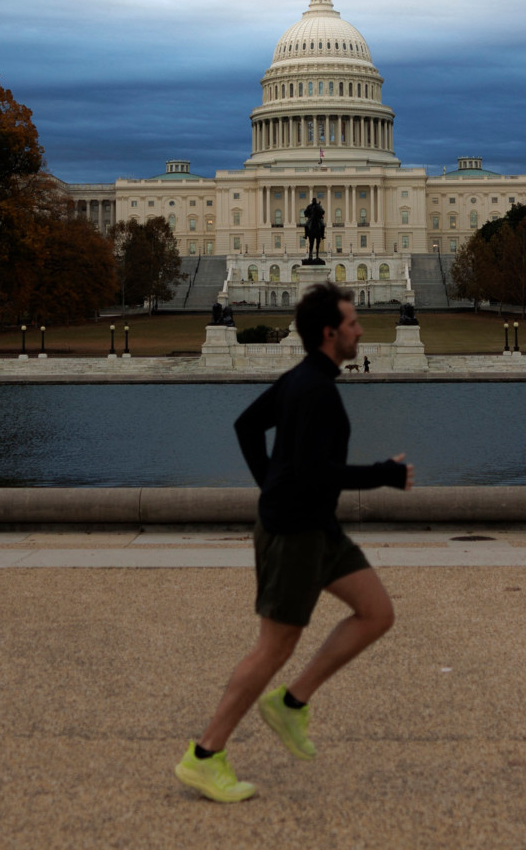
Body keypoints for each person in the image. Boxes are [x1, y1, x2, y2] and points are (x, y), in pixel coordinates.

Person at [174, 282, 413, 803]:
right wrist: (383, 476)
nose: (360, 329)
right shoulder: (314, 390)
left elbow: (247, 427)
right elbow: (311, 470)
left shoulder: (306, 379)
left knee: (376, 612)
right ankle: (205, 754)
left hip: (315, 525)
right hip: (294, 531)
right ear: (331, 333)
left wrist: (270, 480)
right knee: (273, 647)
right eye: (353, 323)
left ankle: (291, 703)